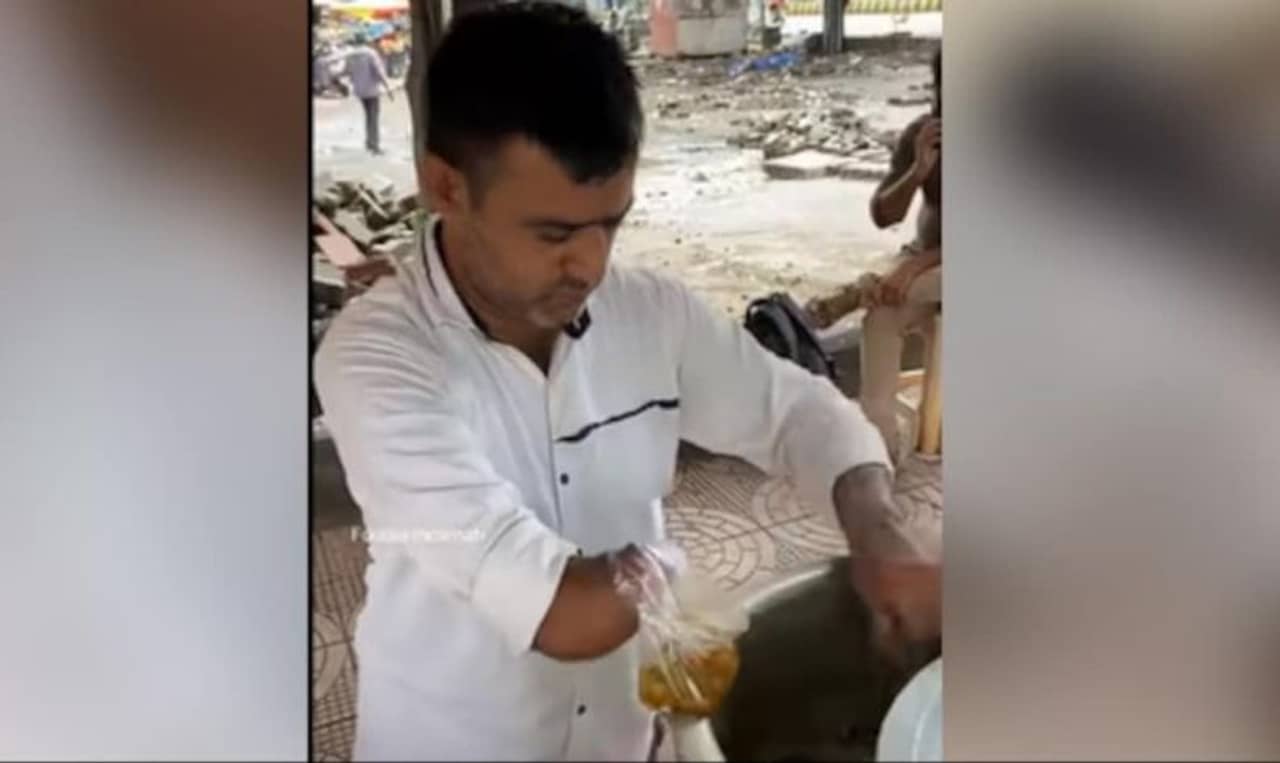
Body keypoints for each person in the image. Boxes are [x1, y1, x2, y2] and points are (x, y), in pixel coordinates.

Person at [314, 4, 940, 760]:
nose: (591, 266)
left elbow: (797, 413)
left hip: (619, 738)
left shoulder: (649, 312)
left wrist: (879, 531)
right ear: (445, 187)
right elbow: (551, 602)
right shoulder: (377, 358)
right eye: (553, 233)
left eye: (610, 224)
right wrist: (662, 569)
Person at [850, 47, 942, 463]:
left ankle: (857, 290)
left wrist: (911, 267)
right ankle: (879, 448)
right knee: (881, 315)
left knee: (891, 287)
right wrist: (916, 171)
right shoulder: (923, 134)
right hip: (927, 267)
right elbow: (882, 215)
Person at [342, 32, 394, 155]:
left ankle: (369, 142)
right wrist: (388, 87)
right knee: (373, 117)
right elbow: (379, 71)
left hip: (359, 90)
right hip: (372, 90)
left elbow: (346, 71)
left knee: (368, 116)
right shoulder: (371, 53)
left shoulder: (350, 55)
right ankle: (374, 145)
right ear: (366, 41)